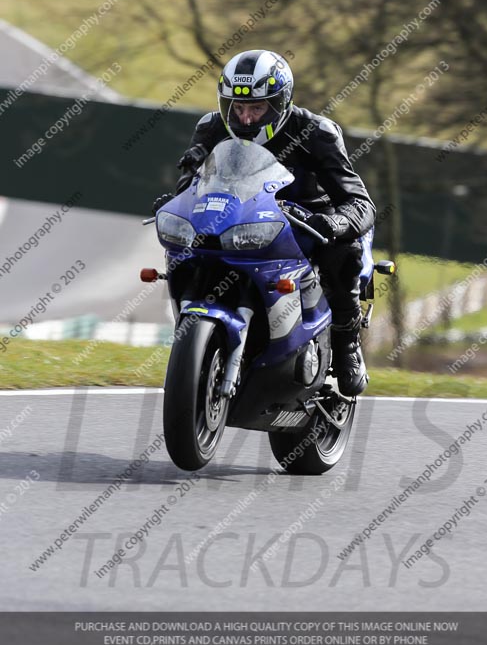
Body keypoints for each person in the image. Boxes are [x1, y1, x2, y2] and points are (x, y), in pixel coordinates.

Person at [152, 49, 376, 396]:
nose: (246, 118)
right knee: (188, 251)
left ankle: (347, 347)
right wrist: (178, 202)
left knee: (342, 253)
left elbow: (359, 202)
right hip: (242, 220)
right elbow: (191, 185)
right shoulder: (211, 127)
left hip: (305, 224)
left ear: (280, 103)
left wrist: (336, 223)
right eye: (237, 108)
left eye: (256, 108)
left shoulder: (317, 132)